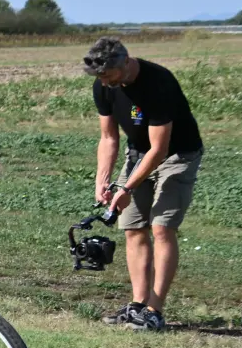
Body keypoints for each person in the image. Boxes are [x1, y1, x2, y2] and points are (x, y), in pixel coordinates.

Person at [86, 36, 203, 332]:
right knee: (133, 226)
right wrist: (104, 181)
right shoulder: (103, 85)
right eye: (100, 76)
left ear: (126, 62)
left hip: (177, 154)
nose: (106, 82)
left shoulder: (157, 83)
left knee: (162, 227)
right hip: (138, 154)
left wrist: (125, 189)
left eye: (109, 75)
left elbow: (160, 150)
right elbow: (109, 137)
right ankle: (138, 304)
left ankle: (155, 309)